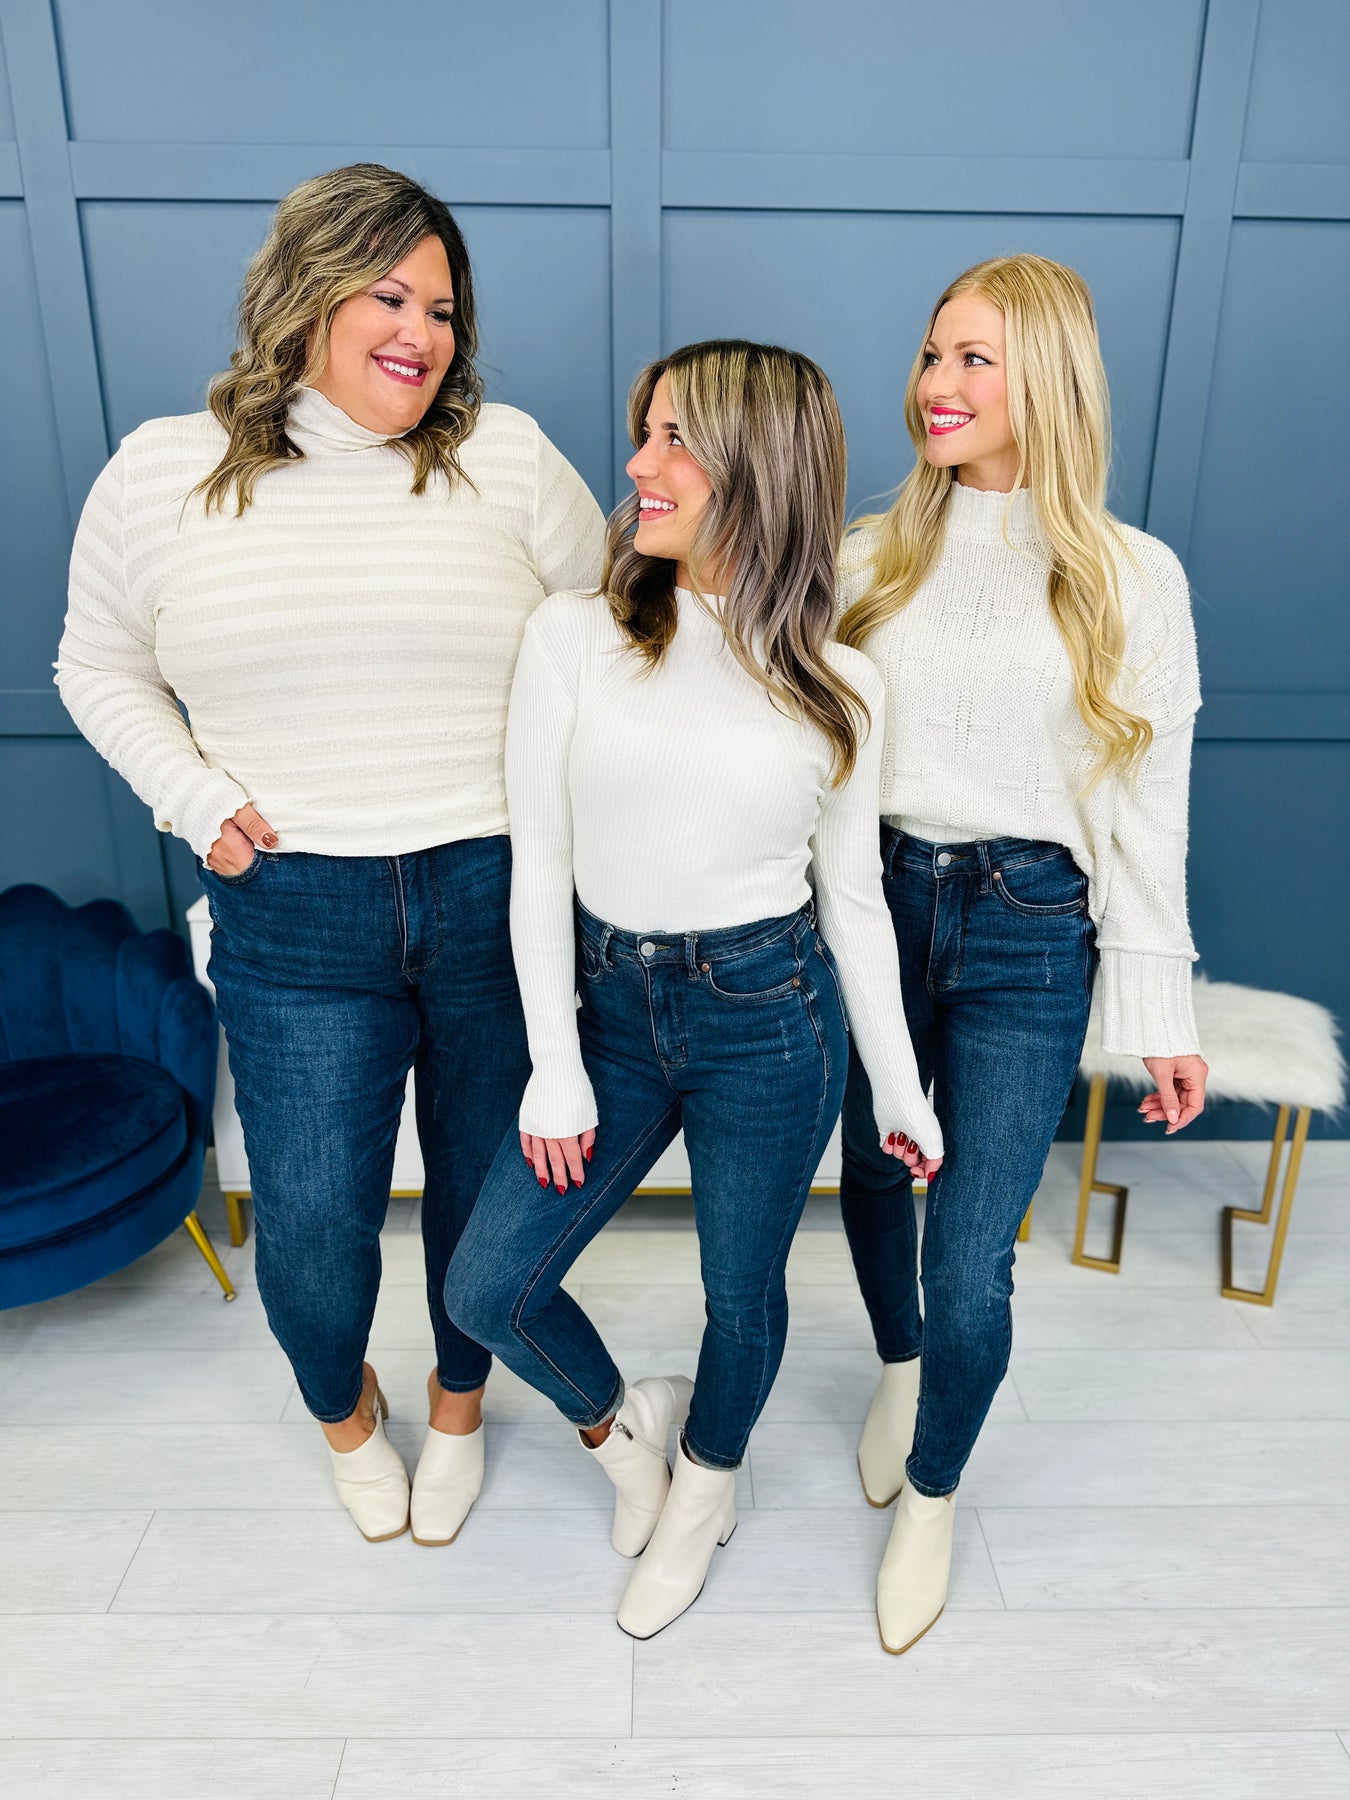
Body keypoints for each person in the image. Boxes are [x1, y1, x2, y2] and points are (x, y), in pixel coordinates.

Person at [56, 163, 605, 1546]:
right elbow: (96, 665)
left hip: (495, 901)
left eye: (444, 309)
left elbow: (612, 641)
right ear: (305, 296)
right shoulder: (159, 473)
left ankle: (461, 1408)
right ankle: (347, 1417)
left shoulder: (507, 459)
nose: (424, 333)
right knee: (308, 1230)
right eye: (391, 297)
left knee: (489, 1213)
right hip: (293, 916)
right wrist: (192, 795)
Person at [445, 339, 943, 1640]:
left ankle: (707, 1489)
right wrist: (554, 1064)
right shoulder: (573, 636)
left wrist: (899, 1089)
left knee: (742, 1295)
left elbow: (853, 902)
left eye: (674, 438)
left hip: (769, 1018)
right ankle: (628, 1440)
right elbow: (539, 863)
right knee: (487, 1287)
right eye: (644, 431)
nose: (637, 464)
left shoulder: (843, 683)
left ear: (759, 466)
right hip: (610, 1014)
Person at [835, 253, 1208, 1654]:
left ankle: (934, 1494)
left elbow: (1148, 808)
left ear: (1044, 376)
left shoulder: (1131, 576)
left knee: (973, 1259)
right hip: (875, 908)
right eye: (932, 353)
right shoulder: (867, 557)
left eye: (973, 359)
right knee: (873, 1176)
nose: (936, 385)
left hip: (1028, 931)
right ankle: (897, 1365)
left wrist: (1160, 1009)